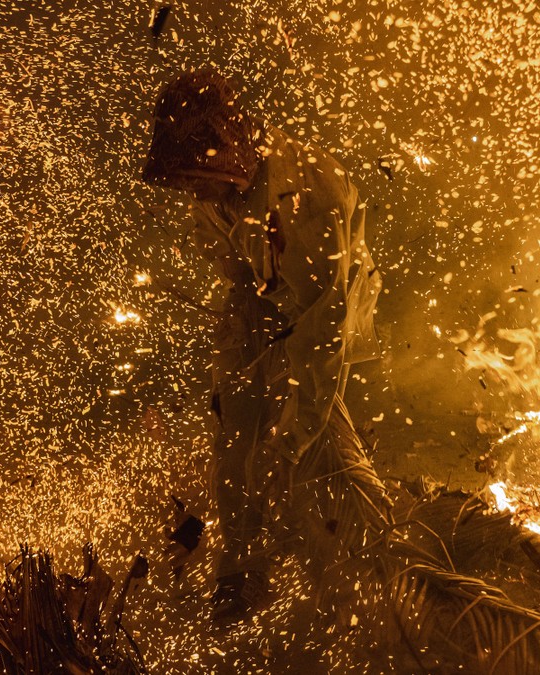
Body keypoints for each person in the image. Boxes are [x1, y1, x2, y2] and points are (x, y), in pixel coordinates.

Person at [142, 69, 383, 622]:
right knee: (234, 439)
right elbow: (227, 257)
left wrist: (292, 431)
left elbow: (324, 318)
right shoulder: (215, 184)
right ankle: (241, 573)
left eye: (192, 176)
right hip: (261, 307)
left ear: (222, 147)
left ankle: (347, 588)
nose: (188, 190)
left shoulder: (305, 189)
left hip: (319, 314)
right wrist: (238, 348)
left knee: (312, 452)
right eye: (182, 179)